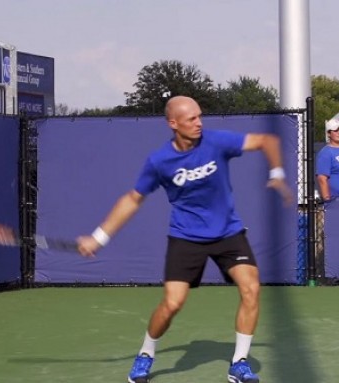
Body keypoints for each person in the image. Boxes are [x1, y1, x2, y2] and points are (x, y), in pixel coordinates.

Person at [76, 95, 293, 383]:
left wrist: (277, 174)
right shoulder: (159, 161)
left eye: (199, 116)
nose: (199, 123)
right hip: (186, 237)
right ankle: (146, 353)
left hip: (228, 232)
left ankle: (238, 363)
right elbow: (133, 198)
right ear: (173, 123)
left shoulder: (216, 142)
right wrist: (98, 237)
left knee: (251, 288)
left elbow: (267, 140)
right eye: (191, 119)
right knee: (173, 303)